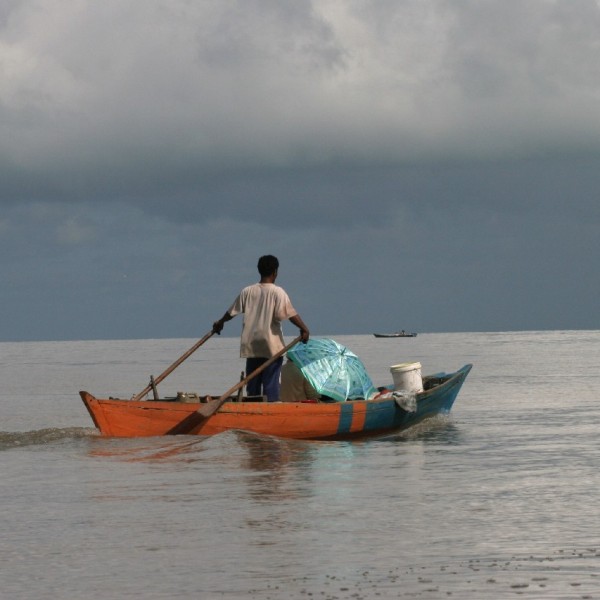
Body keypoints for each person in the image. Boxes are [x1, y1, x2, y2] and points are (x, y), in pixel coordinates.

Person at [212, 255, 310, 402]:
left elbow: (231, 312)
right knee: (271, 385)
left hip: (252, 345)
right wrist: (304, 328)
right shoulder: (277, 292)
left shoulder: (247, 291)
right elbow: (290, 313)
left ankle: (252, 409)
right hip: (271, 346)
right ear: (275, 272)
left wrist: (220, 322)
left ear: (259, 270)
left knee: (253, 385)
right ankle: (269, 412)